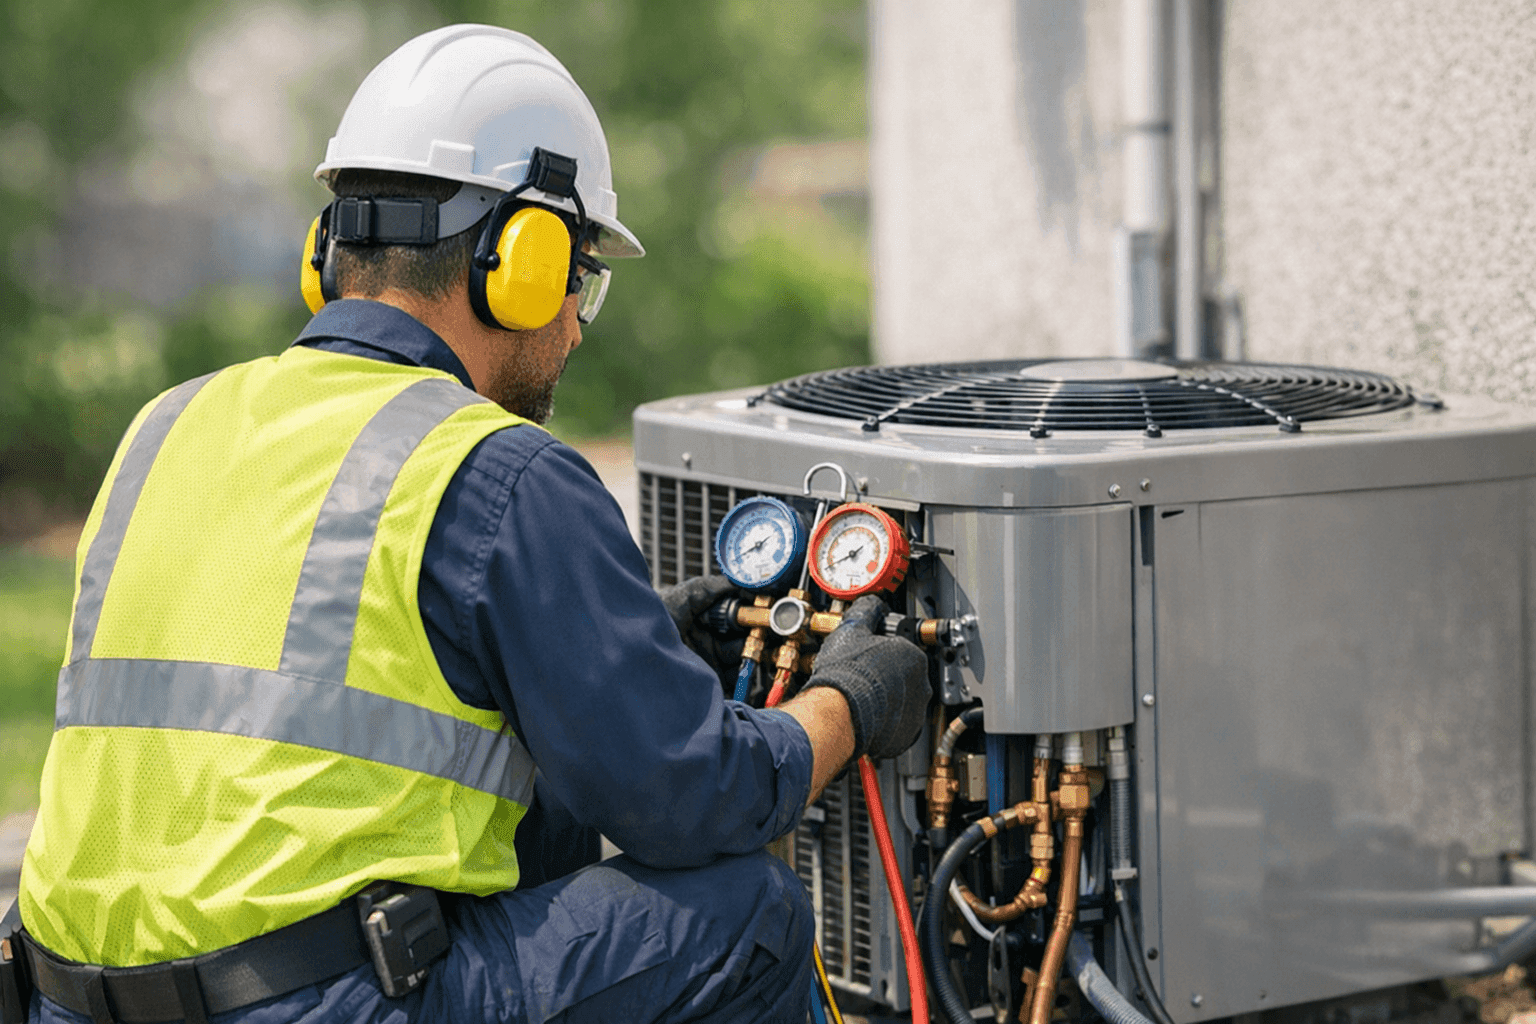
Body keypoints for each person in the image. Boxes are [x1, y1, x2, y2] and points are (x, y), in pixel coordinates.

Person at [4, 24, 930, 1024]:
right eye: (579, 278)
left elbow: (292, 675)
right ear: (520, 263)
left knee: (548, 811)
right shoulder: (494, 467)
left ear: (326, 253)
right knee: (748, 912)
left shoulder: (168, 424)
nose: (574, 325)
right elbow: (693, 798)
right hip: (309, 1009)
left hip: (64, 1004)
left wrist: (624, 646)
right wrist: (849, 703)